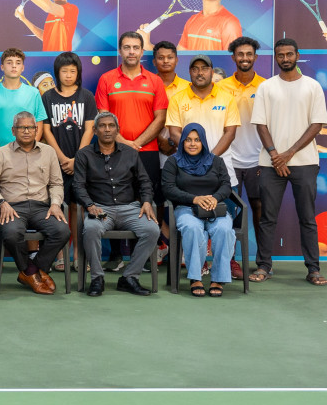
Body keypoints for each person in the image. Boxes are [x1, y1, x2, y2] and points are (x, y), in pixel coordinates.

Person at [251, 37, 326, 285]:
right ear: (276, 57)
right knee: (267, 218)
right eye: (280, 55)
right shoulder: (266, 87)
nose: (285, 58)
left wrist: (289, 153)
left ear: (297, 55)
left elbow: (317, 124)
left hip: (304, 162)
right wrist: (275, 155)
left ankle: (313, 269)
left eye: (289, 54)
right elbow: (260, 124)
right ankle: (263, 266)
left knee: (307, 217)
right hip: (270, 163)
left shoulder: (312, 86)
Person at [95, 31, 168, 271]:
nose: (131, 52)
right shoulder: (107, 79)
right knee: (115, 198)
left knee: (147, 200)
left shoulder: (154, 81)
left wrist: (136, 143)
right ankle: (116, 255)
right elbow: (103, 118)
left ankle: (146, 254)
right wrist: (124, 143)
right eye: (127, 47)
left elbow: (160, 118)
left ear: (142, 51)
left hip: (147, 151)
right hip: (113, 150)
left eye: (136, 47)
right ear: (120, 51)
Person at [72, 111, 159, 296]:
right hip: (101, 209)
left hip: (129, 208)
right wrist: (89, 205)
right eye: (102, 126)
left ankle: (129, 277)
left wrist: (146, 202)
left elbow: (145, 181)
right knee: (92, 228)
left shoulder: (130, 153)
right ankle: (97, 278)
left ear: (118, 130)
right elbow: (78, 185)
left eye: (111, 126)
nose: (107, 129)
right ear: (95, 130)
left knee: (152, 230)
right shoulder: (84, 154)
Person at [0, 110, 68, 294]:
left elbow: (56, 183)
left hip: (42, 207)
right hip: (12, 207)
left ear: (37, 130)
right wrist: (2, 202)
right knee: (12, 233)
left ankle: (31, 271)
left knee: (62, 231)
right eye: (22, 127)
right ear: (13, 130)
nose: (27, 131)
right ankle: (33, 272)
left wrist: (55, 204)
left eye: (30, 127)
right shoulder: (1, 153)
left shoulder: (49, 152)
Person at [162, 123, 236, 298]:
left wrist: (214, 198)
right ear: (182, 142)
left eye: (197, 140)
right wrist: (194, 199)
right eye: (188, 140)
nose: (192, 144)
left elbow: (226, 185)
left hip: (214, 209)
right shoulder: (173, 162)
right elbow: (168, 188)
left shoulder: (216, 161)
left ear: (203, 141)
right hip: (186, 208)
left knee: (224, 229)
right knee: (193, 228)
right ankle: (195, 278)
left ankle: (218, 278)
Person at [41, 51, 96, 270]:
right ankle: (60, 255)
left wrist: (77, 159)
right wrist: (62, 158)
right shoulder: (48, 97)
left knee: (78, 209)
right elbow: (45, 130)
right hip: (55, 162)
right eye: (64, 71)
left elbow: (90, 128)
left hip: (81, 162)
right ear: (57, 73)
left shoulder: (86, 96)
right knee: (55, 207)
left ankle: (77, 255)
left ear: (78, 73)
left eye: (73, 71)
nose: (69, 75)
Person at [218, 37, 266, 278]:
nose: (245, 58)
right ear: (233, 57)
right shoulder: (222, 87)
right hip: (229, 161)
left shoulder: (267, 86)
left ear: (255, 57)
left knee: (259, 210)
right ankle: (231, 262)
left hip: (259, 160)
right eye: (240, 54)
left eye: (249, 54)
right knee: (231, 212)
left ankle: (262, 263)